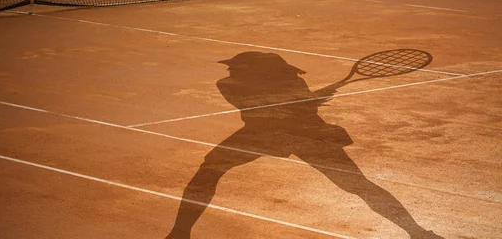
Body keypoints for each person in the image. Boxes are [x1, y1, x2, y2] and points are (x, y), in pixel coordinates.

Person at [166, 52, 442, 238]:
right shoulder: (228, 84)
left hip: (303, 133)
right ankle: (180, 232)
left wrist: (308, 100)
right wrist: (311, 99)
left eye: (237, 67)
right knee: (209, 170)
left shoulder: (292, 82)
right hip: (263, 131)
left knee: (358, 184)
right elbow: (265, 107)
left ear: (258, 72)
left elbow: (292, 111)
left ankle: (416, 231)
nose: (230, 69)